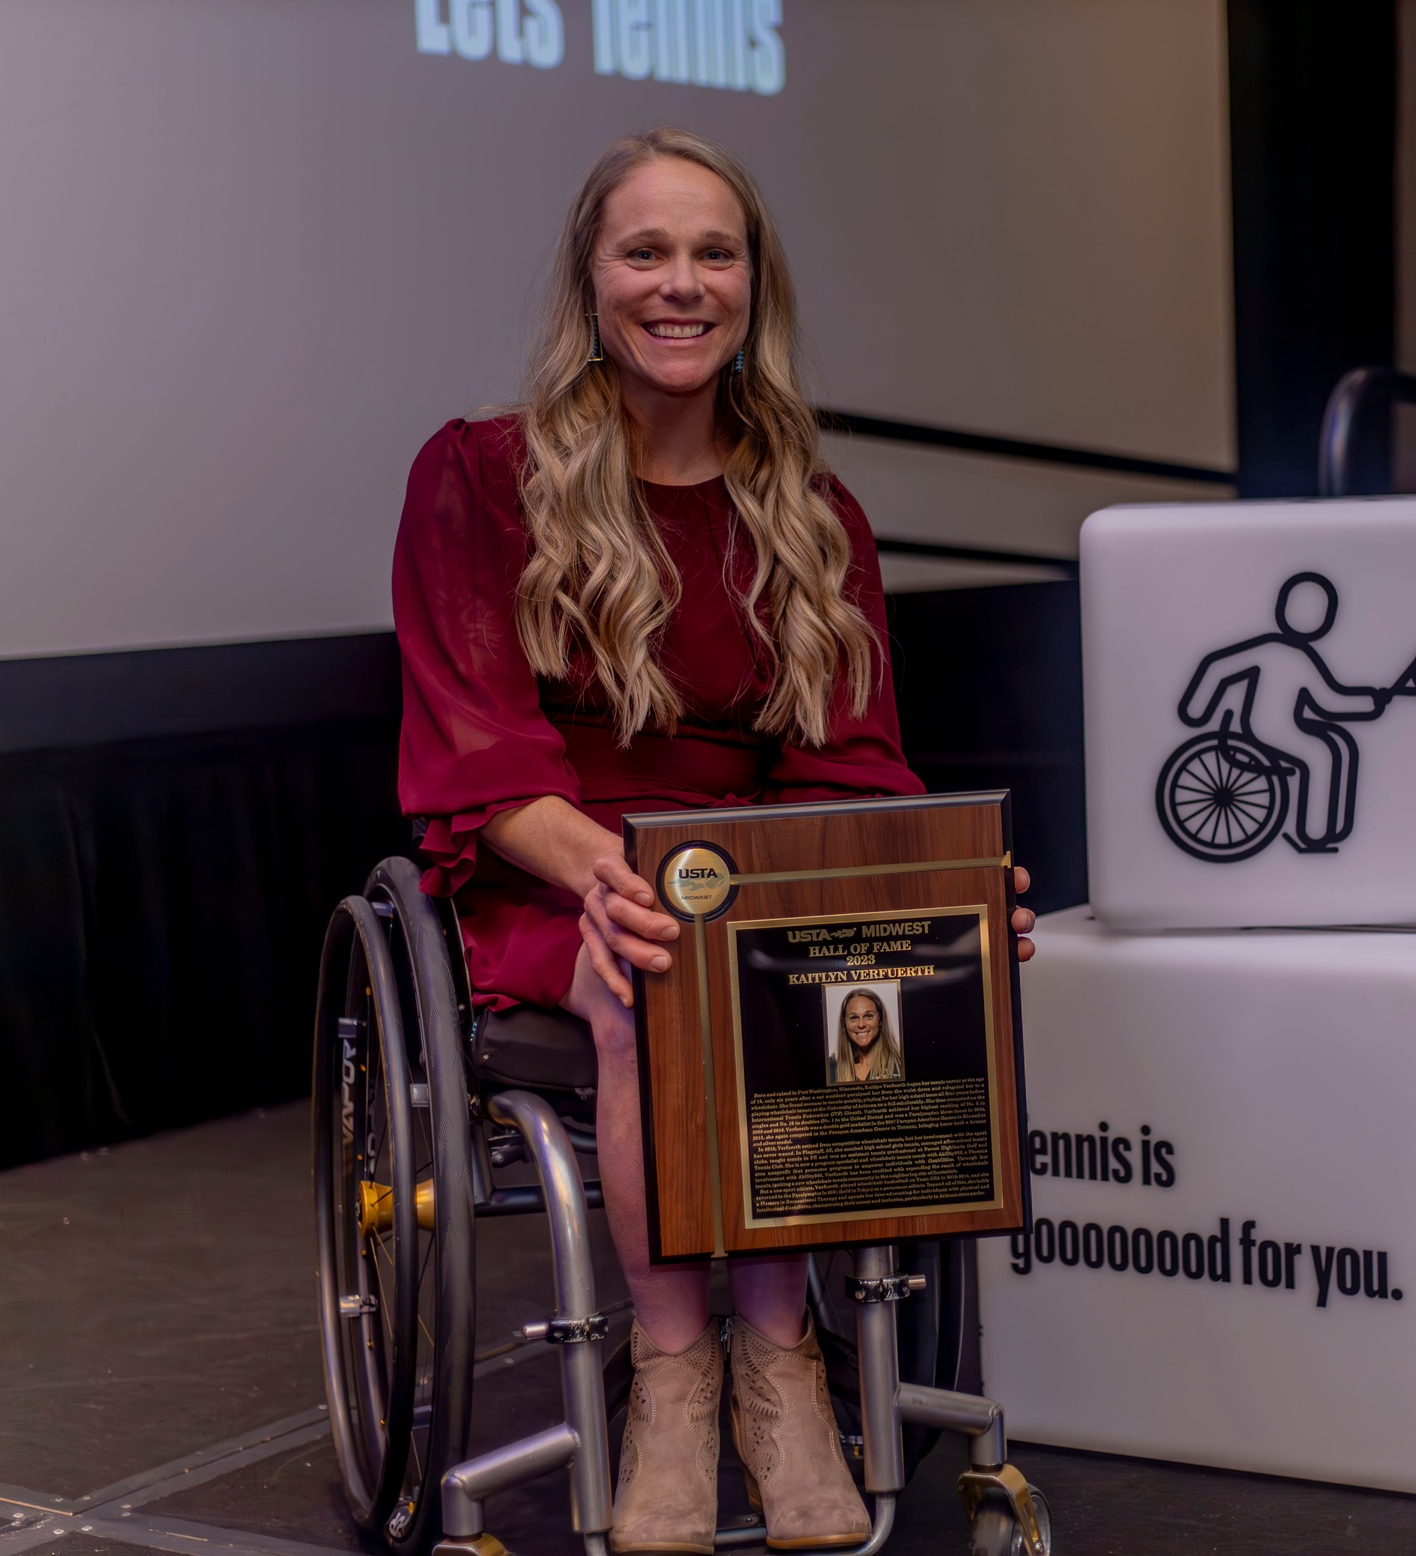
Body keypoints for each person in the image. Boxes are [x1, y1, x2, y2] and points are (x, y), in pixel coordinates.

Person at [392, 127, 1036, 1554]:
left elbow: (849, 765)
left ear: (753, 286)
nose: (681, 284)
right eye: (646, 251)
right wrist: (622, 884)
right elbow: (479, 749)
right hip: (553, 871)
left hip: (743, 869)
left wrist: (934, 900)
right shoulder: (482, 477)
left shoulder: (808, 510)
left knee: (827, 957)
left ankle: (783, 1359)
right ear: (593, 282)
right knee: (655, 970)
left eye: (713, 253)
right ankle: (681, 1372)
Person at [828, 989, 902, 1084]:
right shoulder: (830, 1068)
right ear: (844, 1024)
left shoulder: (900, 1065)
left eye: (868, 1016)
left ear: (880, 1019)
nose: (861, 1024)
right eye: (853, 1018)